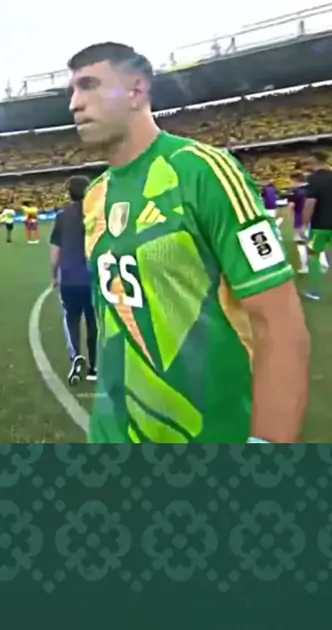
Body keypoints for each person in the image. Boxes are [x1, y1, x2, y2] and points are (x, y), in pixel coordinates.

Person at [67, 41, 310, 444]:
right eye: (72, 90)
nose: (74, 103)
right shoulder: (95, 196)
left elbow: (278, 321)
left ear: (136, 90)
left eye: (89, 85)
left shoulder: (205, 171)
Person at [49, 175, 97, 384]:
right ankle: (94, 366)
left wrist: (54, 275)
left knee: (71, 319)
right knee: (94, 321)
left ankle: (76, 356)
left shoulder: (62, 217)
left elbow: (55, 251)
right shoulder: (97, 213)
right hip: (93, 277)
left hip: (69, 277)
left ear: (69, 193)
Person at [302, 151, 332, 300]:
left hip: (319, 226)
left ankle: (314, 291)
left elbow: (310, 203)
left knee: (313, 257)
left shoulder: (313, 179)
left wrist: (303, 223)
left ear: (314, 160)